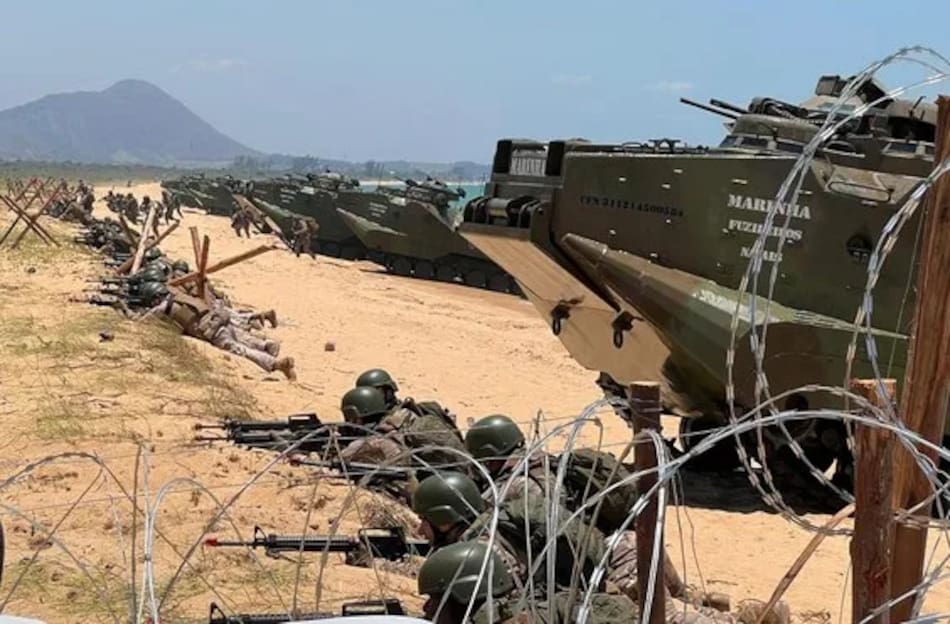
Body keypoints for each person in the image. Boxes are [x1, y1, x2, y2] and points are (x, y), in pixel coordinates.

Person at [137, 283, 297, 380]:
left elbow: (142, 322)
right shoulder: (181, 297)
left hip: (212, 330)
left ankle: (277, 364)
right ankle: (265, 345)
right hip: (219, 319)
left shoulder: (163, 307)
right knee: (242, 339)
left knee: (241, 350)